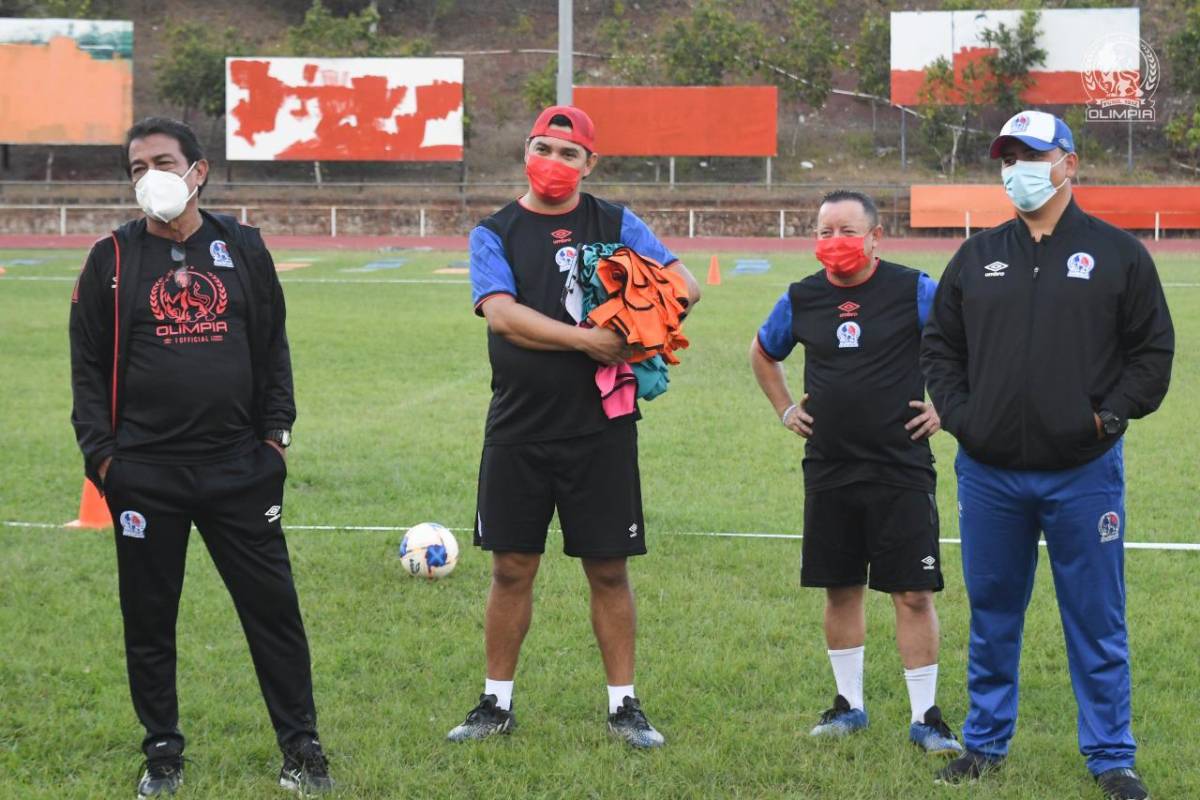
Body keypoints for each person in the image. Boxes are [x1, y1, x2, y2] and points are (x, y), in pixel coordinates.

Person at [69, 117, 332, 797]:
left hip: (241, 470)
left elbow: (273, 346)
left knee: (273, 612)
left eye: (162, 162)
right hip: (145, 476)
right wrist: (106, 462)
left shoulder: (242, 247)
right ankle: (162, 752)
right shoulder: (111, 259)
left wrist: (275, 441)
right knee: (149, 619)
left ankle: (301, 747)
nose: (149, 177)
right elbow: (87, 368)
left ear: (197, 171)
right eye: (136, 168)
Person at [921, 111, 1174, 799]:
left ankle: (1112, 757)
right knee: (993, 614)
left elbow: (1152, 354)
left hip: (1083, 474)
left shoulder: (1119, 254)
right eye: (1008, 158)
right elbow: (940, 348)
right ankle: (984, 745)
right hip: (990, 475)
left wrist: (1106, 417)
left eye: (1032, 156)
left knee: (1097, 619)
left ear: (1069, 163)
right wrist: (965, 419)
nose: (1018, 171)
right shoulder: (976, 257)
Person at [449, 105, 700, 749]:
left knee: (609, 569)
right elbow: (503, 316)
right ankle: (494, 704)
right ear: (526, 152)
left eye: (568, 154)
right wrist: (588, 340)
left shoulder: (615, 222)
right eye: (543, 148)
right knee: (511, 567)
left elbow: (686, 284)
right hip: (519, 426)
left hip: (601, 426)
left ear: (590, 164)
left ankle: (624, 707)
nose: (553, 163)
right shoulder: (494, 232)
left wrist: (641, 312)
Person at [750, 190, 964, 756]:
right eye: (825, 232)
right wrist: (785, 410)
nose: (835, 242)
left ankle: (926, 717)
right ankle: (848, 706)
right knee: (841, 587)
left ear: (875, 237)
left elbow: (967, 344)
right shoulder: (801, 297)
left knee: (913, 593)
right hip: (830, 467)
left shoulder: (914, 289)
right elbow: (763, 352)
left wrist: (946, 406)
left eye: (847, 231)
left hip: (901, 466)